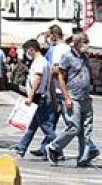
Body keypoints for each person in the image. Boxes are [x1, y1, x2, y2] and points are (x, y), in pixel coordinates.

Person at [46, 33, 98, 167]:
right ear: (77, 43)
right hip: (73, 96)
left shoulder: (85, 57)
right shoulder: (67, 57)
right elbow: (61, 77)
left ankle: (83, 156)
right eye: (85, 42)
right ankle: (54, 147)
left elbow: (85, 75)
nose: (87, 44)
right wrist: (66, 97)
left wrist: (89, 92)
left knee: (87, 128)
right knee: (74, 127)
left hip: (85, 97)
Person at [13, 39, 55, 157]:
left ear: (32, 49)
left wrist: (30, 96)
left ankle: (57, 147)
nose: (27, 53)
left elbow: (37, 79)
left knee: (46, 126)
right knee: (32, 124)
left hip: (37, 97)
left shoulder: (39, 62)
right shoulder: (44, 62)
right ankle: (22, 147)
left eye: (27, 51)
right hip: (40, 96)